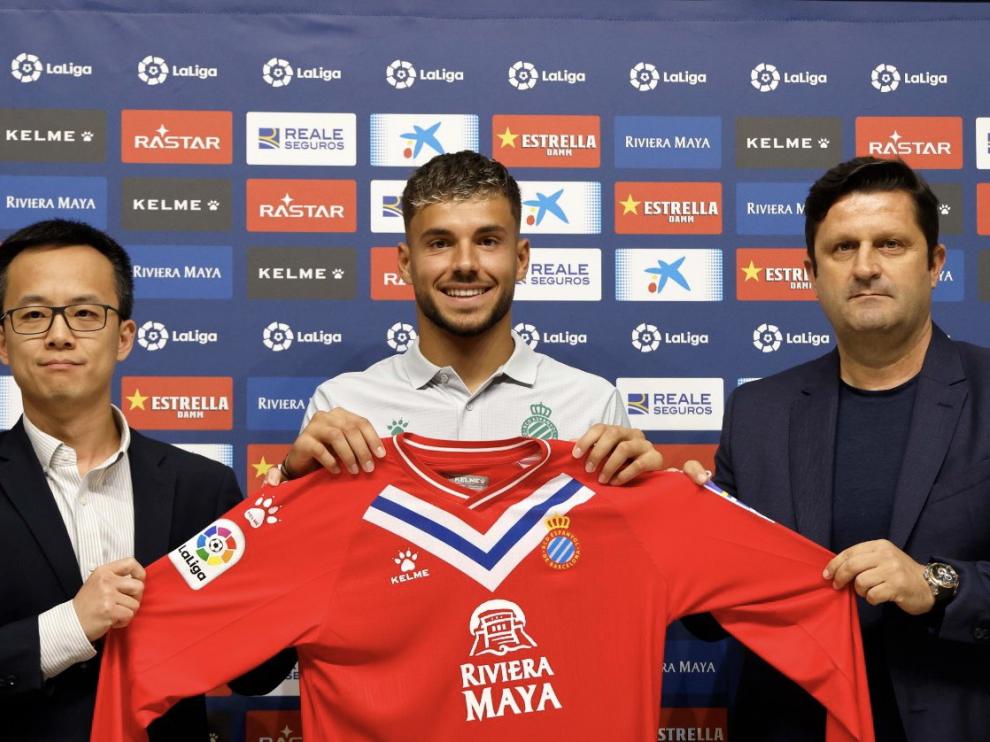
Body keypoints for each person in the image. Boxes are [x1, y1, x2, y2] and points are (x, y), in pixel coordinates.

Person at [713, 157, 990, 741]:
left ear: (935, 264)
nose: (865, 267)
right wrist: (686, 529)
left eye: (890, 244)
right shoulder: (757, 412)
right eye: (842, 249)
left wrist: (938, 584)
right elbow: (711, 616)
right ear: (812, 272)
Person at [0, 220, 290, 741]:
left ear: (125, 337)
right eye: (34, 314)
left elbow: (261, 673)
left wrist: (283, 530)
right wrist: (72, 624)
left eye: (86, 313)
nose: (60, 334)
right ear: (3, 341)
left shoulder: (203, 487)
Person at [275, 151, 707, 486]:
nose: (465, 264)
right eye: (440, 242)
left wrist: (673, 499)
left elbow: (625, 558)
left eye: (487, 240)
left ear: (521, 259)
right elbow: (296, 568)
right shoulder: (342, 406)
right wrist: (292, 482)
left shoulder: (591, 404)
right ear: (405, 263)